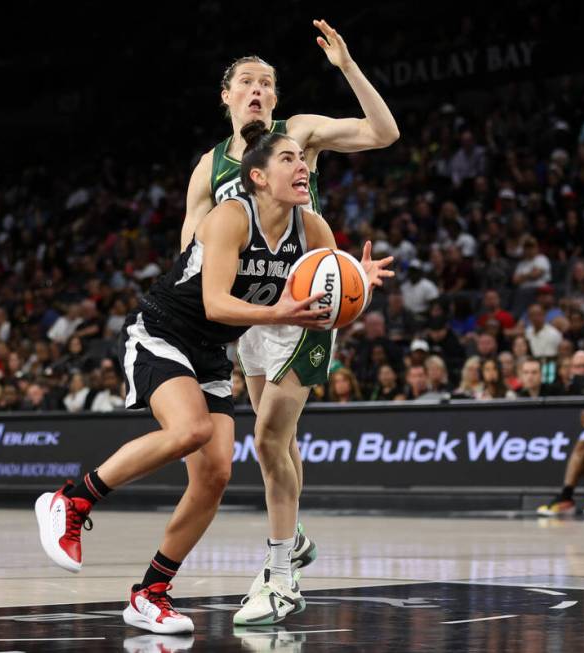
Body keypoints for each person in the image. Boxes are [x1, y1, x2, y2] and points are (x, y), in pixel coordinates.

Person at [34, 123, 391, 634]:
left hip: (208, 352)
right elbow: (215, 303)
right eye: (289, 159)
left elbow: (328, 294)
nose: (303, 167)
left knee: (214, 475)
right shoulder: (230, 217)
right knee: (192, 431)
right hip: (160, 331)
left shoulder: (312, 231)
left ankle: (150, 593)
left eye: (303, 160)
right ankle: (72, 499)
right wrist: (281, 312)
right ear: (259, 177)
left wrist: (356, 284)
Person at [180, 19, 398, 618]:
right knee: (280, 445)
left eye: (267, 82)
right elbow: (190, 259)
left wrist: (348, 67)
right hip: (250, 314)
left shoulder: (296, 133)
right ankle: (294, 535)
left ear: (274, 98)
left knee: (268, 437)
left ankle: (281, 577)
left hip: (305, 307)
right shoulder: (209, 167)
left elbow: (384, 132)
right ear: (225, 96)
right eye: (246, 81)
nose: (257, 88)